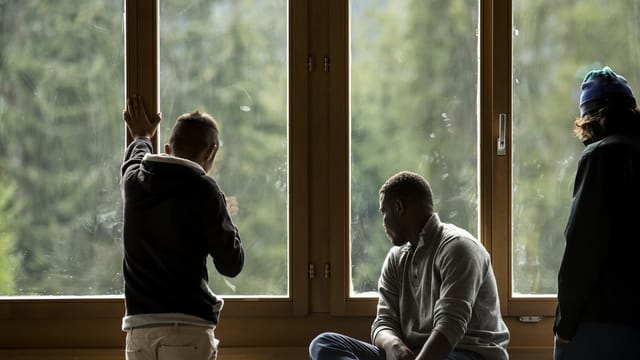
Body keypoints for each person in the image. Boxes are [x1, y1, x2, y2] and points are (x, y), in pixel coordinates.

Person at [310, 171, 510, 360]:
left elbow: (450, 327)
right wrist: (393, 345)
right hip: (414, 354)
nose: (383, 222)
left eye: (384, 213)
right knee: (325, 344)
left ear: (399, 207)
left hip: (465, 353)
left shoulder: (458, 248)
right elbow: (383, 322)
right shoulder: (396, 258)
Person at [120, 96, 244, 360]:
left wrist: (141, 135)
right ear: (210, 152)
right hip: (186, 328)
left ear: (167, 149)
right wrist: (225, 216)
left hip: (138, 329)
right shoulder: (205, 191)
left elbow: (135, 157)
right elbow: (231, 264)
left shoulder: (134, 182)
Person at [553, 66, 640, 359]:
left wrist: (565, 326)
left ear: (590, 119)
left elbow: (583, 248)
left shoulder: (601, 156)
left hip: (602, 324)